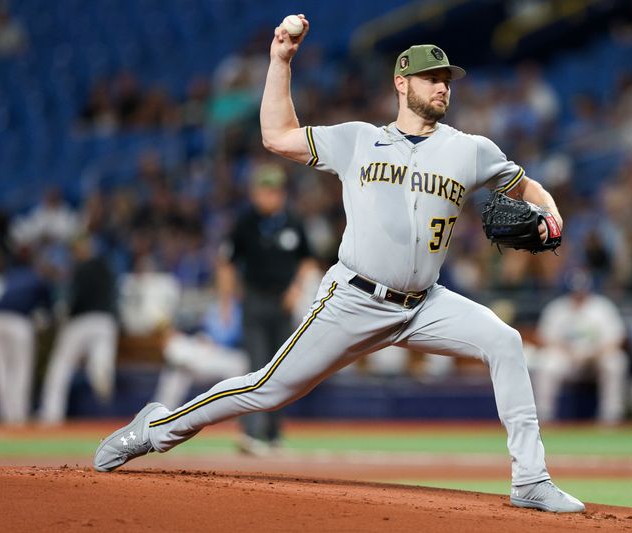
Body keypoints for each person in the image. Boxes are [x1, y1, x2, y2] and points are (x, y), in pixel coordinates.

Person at [94, 16, 585, 513]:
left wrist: (552, 217)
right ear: (401, 82)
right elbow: (277, 135)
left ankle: (530, 479)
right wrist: (280, 60)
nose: (442, 87)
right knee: (267, 389)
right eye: (431, 77)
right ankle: (154, 429)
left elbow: (526, 187)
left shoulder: (471, 150)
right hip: (354, 298)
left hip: (426, 303)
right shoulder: (358, 140)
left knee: (505, 340)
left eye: (447, 79)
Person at [227, 162, 318, 454]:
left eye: (272, 191)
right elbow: (227, 262)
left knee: (281, 369)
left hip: (283, 302)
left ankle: (274, 434)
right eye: (263, 190)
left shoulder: (293, 221)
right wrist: (228, 300)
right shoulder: (245, 222)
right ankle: (251, 435)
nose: (267, 196)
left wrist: (296, 289)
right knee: (255, 365)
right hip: (254, 299)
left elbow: (308, 260)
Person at [38, 235, 119, 425]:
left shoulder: (80, 268)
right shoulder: (106, 266)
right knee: (101, 370)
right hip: (105, 322)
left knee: (60, 368)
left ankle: (50, 417)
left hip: (81, 321)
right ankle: (109, 417)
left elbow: (73, 300)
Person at [532, 269, 629, 425]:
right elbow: (543, 338)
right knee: (545, 363)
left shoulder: (602, 307)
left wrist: (595, 353)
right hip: (567, 359)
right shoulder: (557, 308)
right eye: (575, 290)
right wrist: (567, 351)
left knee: (616, 361)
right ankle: (544, 415)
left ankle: (611, 415)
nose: (578, 294)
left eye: (582, 290)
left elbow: (618, 339)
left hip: (596, 358)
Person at [152, 260, 248, 409]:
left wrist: (216, 343)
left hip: (227, 357)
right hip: (203, 355)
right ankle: (157, 413)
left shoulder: (243, 305)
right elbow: (188, 325)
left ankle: (234, 416)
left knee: (239, 364)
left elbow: (246, 340)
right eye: (221, 277)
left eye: (228, 278)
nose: (224, 282)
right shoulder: (208, 301)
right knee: (177, 362)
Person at [0, 246, 52, 425]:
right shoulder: (38, 278)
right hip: (19, 322)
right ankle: (18, 417)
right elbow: (47, 314)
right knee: (21, 369)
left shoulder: (12, 275)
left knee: (1, 369)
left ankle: (6, 416)